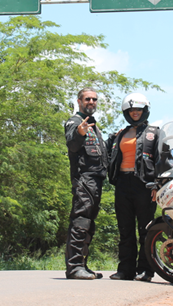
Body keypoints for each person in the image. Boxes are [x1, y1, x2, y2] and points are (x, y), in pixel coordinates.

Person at [107, 93, 159, 282]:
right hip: (122, 183)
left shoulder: (154, 132)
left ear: (144, 110)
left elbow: (161, 160)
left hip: (145, 185)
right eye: (131, 110)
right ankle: (125, 270)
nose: (135, 112)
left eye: (138, 109)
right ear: (127, 112)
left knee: (146, 229)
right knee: (125, 229)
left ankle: (146, 270)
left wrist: (157, 185)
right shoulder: (120, 134)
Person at [63, 87, 108, 280]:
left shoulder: (94, 125)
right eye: (87, 99)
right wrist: (79, 132)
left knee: (89, 225)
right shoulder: (75, 122)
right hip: (84, 180)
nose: (91, 102)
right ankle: (73, 267)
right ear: (79, 101)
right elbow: (72, 144)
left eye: (94, 99)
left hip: (96, 180)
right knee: (80, 221)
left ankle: (81, 264)